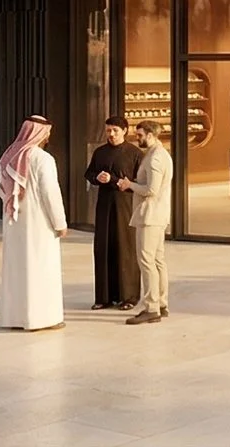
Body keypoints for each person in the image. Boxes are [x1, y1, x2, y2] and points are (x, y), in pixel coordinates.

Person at [0, 115, 67, 331]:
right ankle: (43, 319)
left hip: (14, 222)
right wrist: (60, 223)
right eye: (47, 133)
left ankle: (14, 318)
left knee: (16, 270)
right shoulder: (43, 159)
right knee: (41, 269)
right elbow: (50, 193)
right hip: (39, 224)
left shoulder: (9, 155)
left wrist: (12, 200)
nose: (48, 137)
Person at [84, 117, 143, 310]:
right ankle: (104, 297)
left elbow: (140, 183)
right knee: (104, 248)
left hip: (125, 206)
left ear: (125, 131)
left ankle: (129, 297)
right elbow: (89, 174)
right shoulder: (100, 152)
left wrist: (113, 179)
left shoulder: (135, 153)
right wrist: (97, 177)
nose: (111, 134)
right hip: (104, 206)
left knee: (125, 249)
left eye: (115, 130)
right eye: (108, 130)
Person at [124, 119, 175, 324]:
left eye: (140, 135)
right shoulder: (160, 154)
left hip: (151, 215)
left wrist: (130, 184)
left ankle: (152, 307)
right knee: (157, 260)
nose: (137, 138)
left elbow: (151, 190)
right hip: (157, 214)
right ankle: (161, 303)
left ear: (151, 135)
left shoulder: (155, 158)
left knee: (147, 261)